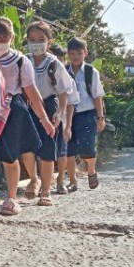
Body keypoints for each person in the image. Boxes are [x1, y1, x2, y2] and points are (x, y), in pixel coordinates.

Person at [0, 16, 54, 216]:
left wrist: (44, 119)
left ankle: (11, 198)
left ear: (11, 37)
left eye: (2, 40)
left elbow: (31, 91)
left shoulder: (20, 61)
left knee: (10, 158)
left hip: (12, 113)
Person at [19, 20, 75, 207]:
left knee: (48, 151)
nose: (36, 43)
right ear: (27, 40)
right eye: (32, 39)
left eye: (41, 39)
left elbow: (63, 91)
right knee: (27, 149)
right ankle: (34, 179)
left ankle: (45, 190)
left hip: (49, 106)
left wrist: (60, 112)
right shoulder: (23, 61)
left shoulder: (54, 64)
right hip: (28, 106)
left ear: (49, 41)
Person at [63, 37, 108, 189]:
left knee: (87, 147)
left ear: (85, 53)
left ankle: (91, 171)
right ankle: (72, 180)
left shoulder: (90, 72)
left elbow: (97, 96)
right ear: (68, 53)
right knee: (68, 149)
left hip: (87, 114)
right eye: (72, 53)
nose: (75, 56)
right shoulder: (63, 71)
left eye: (79, 53)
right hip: (68, 115)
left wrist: (100, 118)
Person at [49, 43, 80, 195]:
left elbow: (71, 104)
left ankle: (60, 180)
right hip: (44, 119)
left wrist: (68, 127)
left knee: (62, 153)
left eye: (58, 59)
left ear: (63, 61)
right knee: (44, 153)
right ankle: (44, 182)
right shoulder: (38, 75)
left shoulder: (68, 80)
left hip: (62, 122)